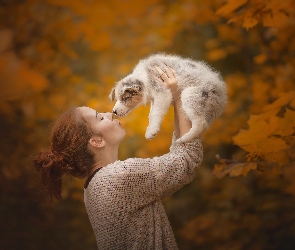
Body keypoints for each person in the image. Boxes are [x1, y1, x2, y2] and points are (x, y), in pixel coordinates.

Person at [33, 65, 203, 249]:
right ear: (96, 141)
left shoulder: (94, 187)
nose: (109, 114)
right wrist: (178, 96)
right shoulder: (118, 178)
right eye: (100, 118)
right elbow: (187, 159)